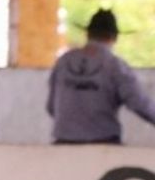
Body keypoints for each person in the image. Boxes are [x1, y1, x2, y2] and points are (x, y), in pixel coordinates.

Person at [48, 8, 155, 145]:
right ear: (114, 37)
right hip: (103, 143)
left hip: (64, 142)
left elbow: (51, 107)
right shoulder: (115, 66)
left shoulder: (64, 61)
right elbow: (139, 104)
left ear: (87, 34)